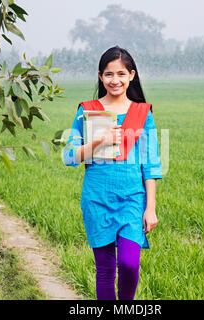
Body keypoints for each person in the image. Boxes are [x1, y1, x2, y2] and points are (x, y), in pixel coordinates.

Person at [63, 46, 163, 300]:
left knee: (129, 264)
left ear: (131, 75)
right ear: (100, 76)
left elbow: (150, 165)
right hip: (97, 198)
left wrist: (150, 208)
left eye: (121, 73)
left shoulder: (143, 113)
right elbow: (69, 156)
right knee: (105, 270)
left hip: (132, 198)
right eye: (109, 74)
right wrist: (98, 141)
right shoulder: (87, 110)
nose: (115, 80)